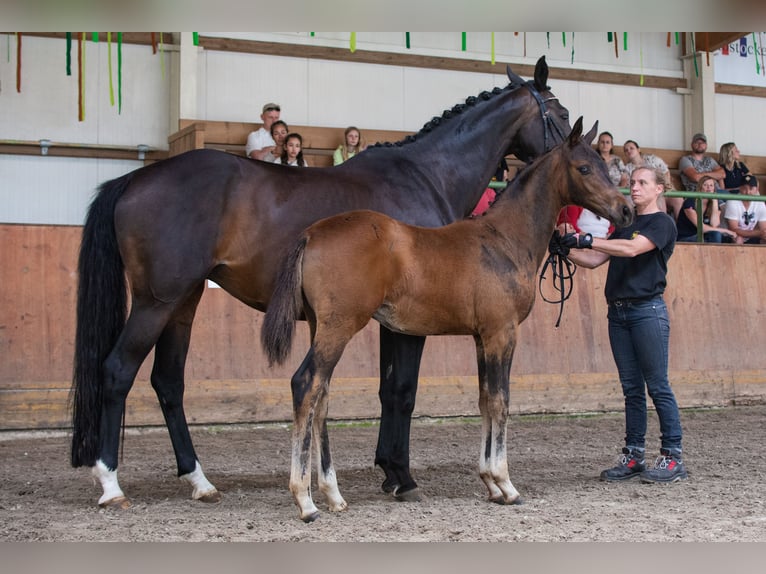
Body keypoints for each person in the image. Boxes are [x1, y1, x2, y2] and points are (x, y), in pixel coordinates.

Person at [557, 166, 687, 483]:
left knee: (657, 386)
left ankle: (673, 456)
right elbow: (594, 260)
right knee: (632, 389)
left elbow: (630, 249)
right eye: (633, 182)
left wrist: (586, 239)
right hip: (619, 312)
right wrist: (566, 248)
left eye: (643, 183)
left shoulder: (662, 223)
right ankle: (634, 455)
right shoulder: (624, 223)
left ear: (659, 189)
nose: (635, 187)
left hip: (646, 311)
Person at [623, 139, 681, 219]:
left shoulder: (652, 159)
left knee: (678, 199)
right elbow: (624, 183)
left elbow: (666, 173)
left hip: (662, 189)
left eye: (631, 148)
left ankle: (679, 230)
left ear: (638, 149)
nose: (629, 151)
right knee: (658, 197)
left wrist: (664, 187)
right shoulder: (627, 168)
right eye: (626, 150)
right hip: (647, 193)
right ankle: (661, 223)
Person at [675, 175, 737, 243]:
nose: (709, 188)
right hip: (686, 237)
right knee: (716, 235)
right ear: (700, 187)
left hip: (703, 236)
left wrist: (714, 201)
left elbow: (714, 225)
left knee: (728, 239)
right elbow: (702, 228)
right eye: (705, 185)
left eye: (711, 185)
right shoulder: (690, 201)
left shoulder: (713, 204)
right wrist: (726, 231)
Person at [724, 174, 766, 244]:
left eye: (751, 188)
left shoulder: (760, 203)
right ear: (740, 188)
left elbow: (764, 229)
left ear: (757, 189)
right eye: (744, 188)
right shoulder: (732, 201)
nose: (748, 192)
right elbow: (734, 229)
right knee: (739, 239)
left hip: (750, 236)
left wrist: (762, 234)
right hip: (730, 236)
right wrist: (758, 233)